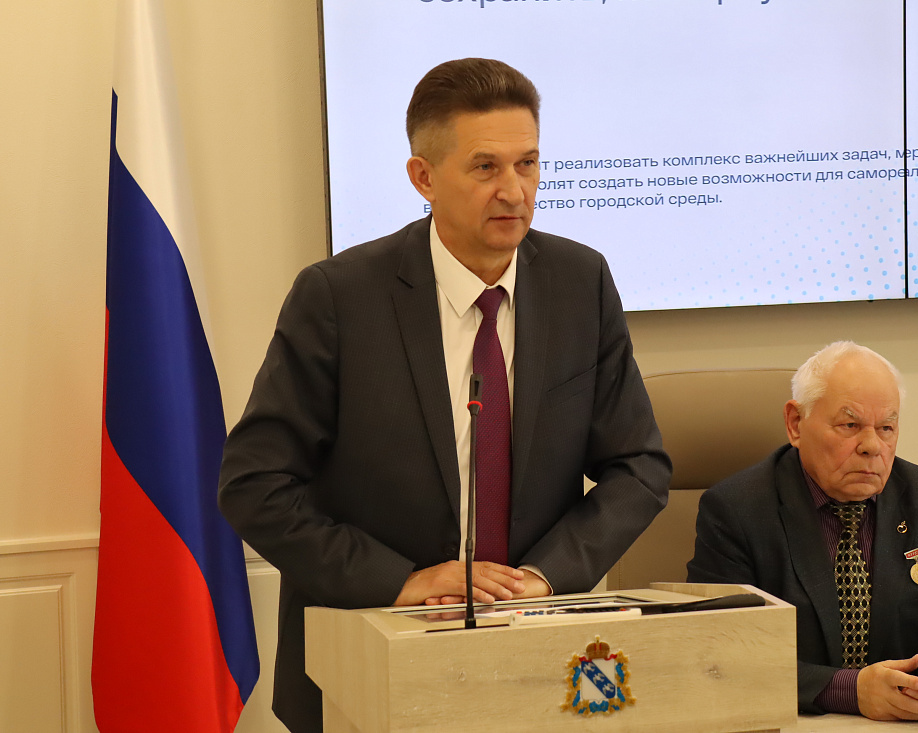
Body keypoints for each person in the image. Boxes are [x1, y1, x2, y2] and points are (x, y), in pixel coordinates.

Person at [219, 58, 671, 733]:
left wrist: (545, 576)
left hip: (535, 652)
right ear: (423, 177)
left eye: (528, 164)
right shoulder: (340, 297)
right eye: (485, 167)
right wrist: (402, 580)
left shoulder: (581, 282)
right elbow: (254, 485)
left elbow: (639, 467)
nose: (514, 191)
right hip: (368, 657)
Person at [688, 341, 918, 721]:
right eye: (850, 426)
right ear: (795, 424)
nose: (872, 446)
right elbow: (720, 654)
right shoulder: (736, 511)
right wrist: (848, 690)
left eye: (886, 428)